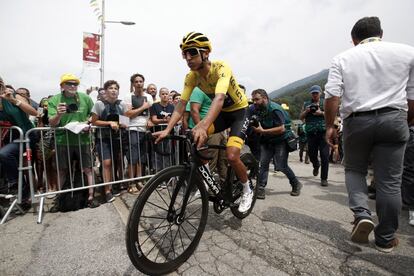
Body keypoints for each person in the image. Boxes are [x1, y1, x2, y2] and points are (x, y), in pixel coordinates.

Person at [324, 16, 414, 253]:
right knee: (390, 182)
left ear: (354, 39)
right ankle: (385, 238)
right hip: (395, 117)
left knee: (355, 169)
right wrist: (405, 121)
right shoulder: (408, 52)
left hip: (357, 121)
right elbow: (413, 96)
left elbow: (332, 95)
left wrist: (331, 126)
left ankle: (362, 214)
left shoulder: (342, 58)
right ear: (381, 33)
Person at [154, 32, 253, 213]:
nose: (188, 58)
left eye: (192, 52)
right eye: (185, 54)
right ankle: (207, 181)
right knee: (195, 138)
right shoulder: (191, 77)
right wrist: (167, 129)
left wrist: (204, 125)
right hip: (222, 114)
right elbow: (181, 105)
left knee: (231, 155)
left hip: (239, 113)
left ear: (205, 53)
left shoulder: (221, 68)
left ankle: (247, 189)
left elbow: (220, 98)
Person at [48, 73, 98, 207]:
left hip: (83, 140)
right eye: (69, 83)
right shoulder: (54, 100)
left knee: (88, 169)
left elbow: (93, 115)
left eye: (75, 84)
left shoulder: (85, 98)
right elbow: (52, 123)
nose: (72, 86)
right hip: (62, 141)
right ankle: (59, 199)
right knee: (62, 170)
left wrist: (88, 123)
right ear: (62, 86)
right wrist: (58, 114)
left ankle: (91, 197)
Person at [250, 89, 302, 199]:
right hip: (267, 140)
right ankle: (261, 188)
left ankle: (296, 184)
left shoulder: (275, 109)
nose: (254, 102)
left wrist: (263, 131)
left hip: (281, 140)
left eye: (257, 99)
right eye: (253, 99)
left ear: (265, 98)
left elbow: (282, 129)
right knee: (263, 164)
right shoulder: (256, 108)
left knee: (281, 166)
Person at [0, 77, 37, 203]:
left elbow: (34, 112)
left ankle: (19, 187)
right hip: (12, 136)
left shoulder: (15, 95)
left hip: (27, 134)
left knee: (6, 154)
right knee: (15, 163)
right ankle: (23, 194)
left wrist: (12, 100)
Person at [91, 80, 128, 202]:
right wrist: (109, 123)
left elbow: (126, 122)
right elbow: (94, 121)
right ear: (106, 91)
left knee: (117, 162)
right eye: (111, 88)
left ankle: (116, 185)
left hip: (118, 138)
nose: (113, 90)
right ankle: (107, 191)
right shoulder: (99, 104)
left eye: (116, 88)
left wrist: (121, 124)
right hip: (103, 139)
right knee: (107, 163)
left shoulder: (122, 104)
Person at [186, 87, 228, 183]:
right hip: (209, 129)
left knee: (223, 160)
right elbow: (194, 110)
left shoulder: (217, 89)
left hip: (221, 129)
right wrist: (202, 130)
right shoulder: (198, 89)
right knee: (210, 159)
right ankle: (206, 187)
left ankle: (224, 185)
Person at [124, 73, 153, 193]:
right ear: (133, 84)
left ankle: (139, 181)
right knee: (132, 157)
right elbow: (127, 114)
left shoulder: (149, 97)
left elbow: (151, 113)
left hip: (144, 130)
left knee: (142, 157)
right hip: (133, 129)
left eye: (141, 81)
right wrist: (142, 107)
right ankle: (131, 182)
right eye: (136, 81)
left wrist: (150, 120)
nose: (139, 83)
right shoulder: (128, 96)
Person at [300, 85, 329, 186]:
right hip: (311, 132)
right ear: (311, 94)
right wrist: (306, 111)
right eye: (313, 93)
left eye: (316, 93)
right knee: (312, 154)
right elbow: (301, 117)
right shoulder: (306, 104)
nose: (315, 95)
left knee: (325, 155)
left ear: (320, 93)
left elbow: (332, 115)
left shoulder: (325, 102)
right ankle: (316, 165)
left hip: (323, 132)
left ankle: (324, 178)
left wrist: (321, 113)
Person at [150, 87, 175, 171]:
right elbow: (154, 119)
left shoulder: (172, 107)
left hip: (169, 134)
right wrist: (164, 120)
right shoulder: (155, 106)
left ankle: (167, 173)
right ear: (160, 95)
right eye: (163, 94)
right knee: (157, 154)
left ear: (169, 95)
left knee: (168, 153)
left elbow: (177, 120)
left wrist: (169, 121)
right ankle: (157, 173)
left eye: (166, 94)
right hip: (157, 134)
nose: (165, 95)